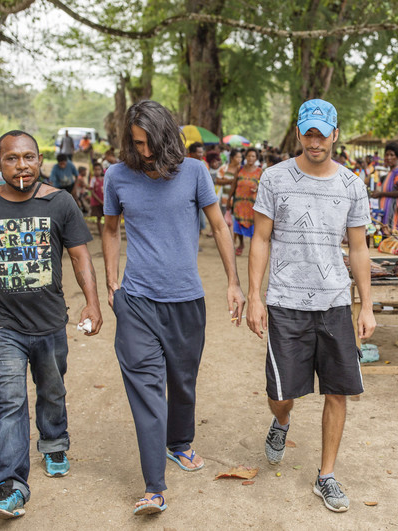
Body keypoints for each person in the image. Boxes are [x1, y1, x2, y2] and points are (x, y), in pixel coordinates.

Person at [0, 130, 103, 520]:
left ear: (40, 161)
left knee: (52, 390)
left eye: (29, 157)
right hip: (3, 325)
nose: (22, 166)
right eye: (13, 159)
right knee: (9, 402)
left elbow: (80, 256)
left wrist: (92, 302)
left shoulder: (60, 202)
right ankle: (9, 485)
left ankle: (53, 444)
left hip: (50, 322)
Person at [102, 100, 245, 516]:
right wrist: (112, 279)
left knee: (182, 381)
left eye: (149, 143)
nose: (143, 152)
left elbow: (219, 225)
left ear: (166, 138)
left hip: (185, 300)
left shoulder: (196, 172)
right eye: (135, 143)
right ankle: (154, 487)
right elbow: (110, 229)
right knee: (146, 391)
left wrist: (234, 283)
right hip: (138, 300)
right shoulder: (117, 175)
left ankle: (179, 443)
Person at [248, 98, 375, 513]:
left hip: (335, 302)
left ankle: (326, 476)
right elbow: (261, 239)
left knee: (337, 391)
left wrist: (367, 305)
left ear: (336, 134)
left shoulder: (352, 185)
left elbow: (358, 247)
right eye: (309, 133)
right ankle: (281, 422)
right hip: (285, 301)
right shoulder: (274, 178)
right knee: (282, 393)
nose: (316, 141)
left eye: (323, 133)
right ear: (300, 133)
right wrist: (254, 296)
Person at [228, 147, 262, 256]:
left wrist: (257, 188)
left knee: (253, 225)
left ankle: (253, 246)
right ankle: (241, 244)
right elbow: (234, 184)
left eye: (253, 156)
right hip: (239, 202)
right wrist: (229, 199)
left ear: (256, 158)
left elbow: (263, 186)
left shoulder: (259, 171)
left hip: (252, 203)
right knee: (239, 224)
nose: (250, 158)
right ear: (245, 157)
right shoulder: (240, 169)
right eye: (248, 156)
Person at [372, 142, 398, 230]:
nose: (388, 158)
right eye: (387, 155)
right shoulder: (391, 172)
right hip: (387, 213)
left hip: (393, 215)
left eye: (392, 155)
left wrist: (381, 194)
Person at [89, 162, 105, 236]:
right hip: (96, 202)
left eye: (98, 169)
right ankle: (101, 234)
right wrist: (100, 201)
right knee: (99, 217)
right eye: (95, 170)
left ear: (101, 170)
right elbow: (92, 192)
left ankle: (105, 233)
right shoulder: (93, 179)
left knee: (106, 218)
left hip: (104, 201)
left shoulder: (104, 179)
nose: (97, 171)